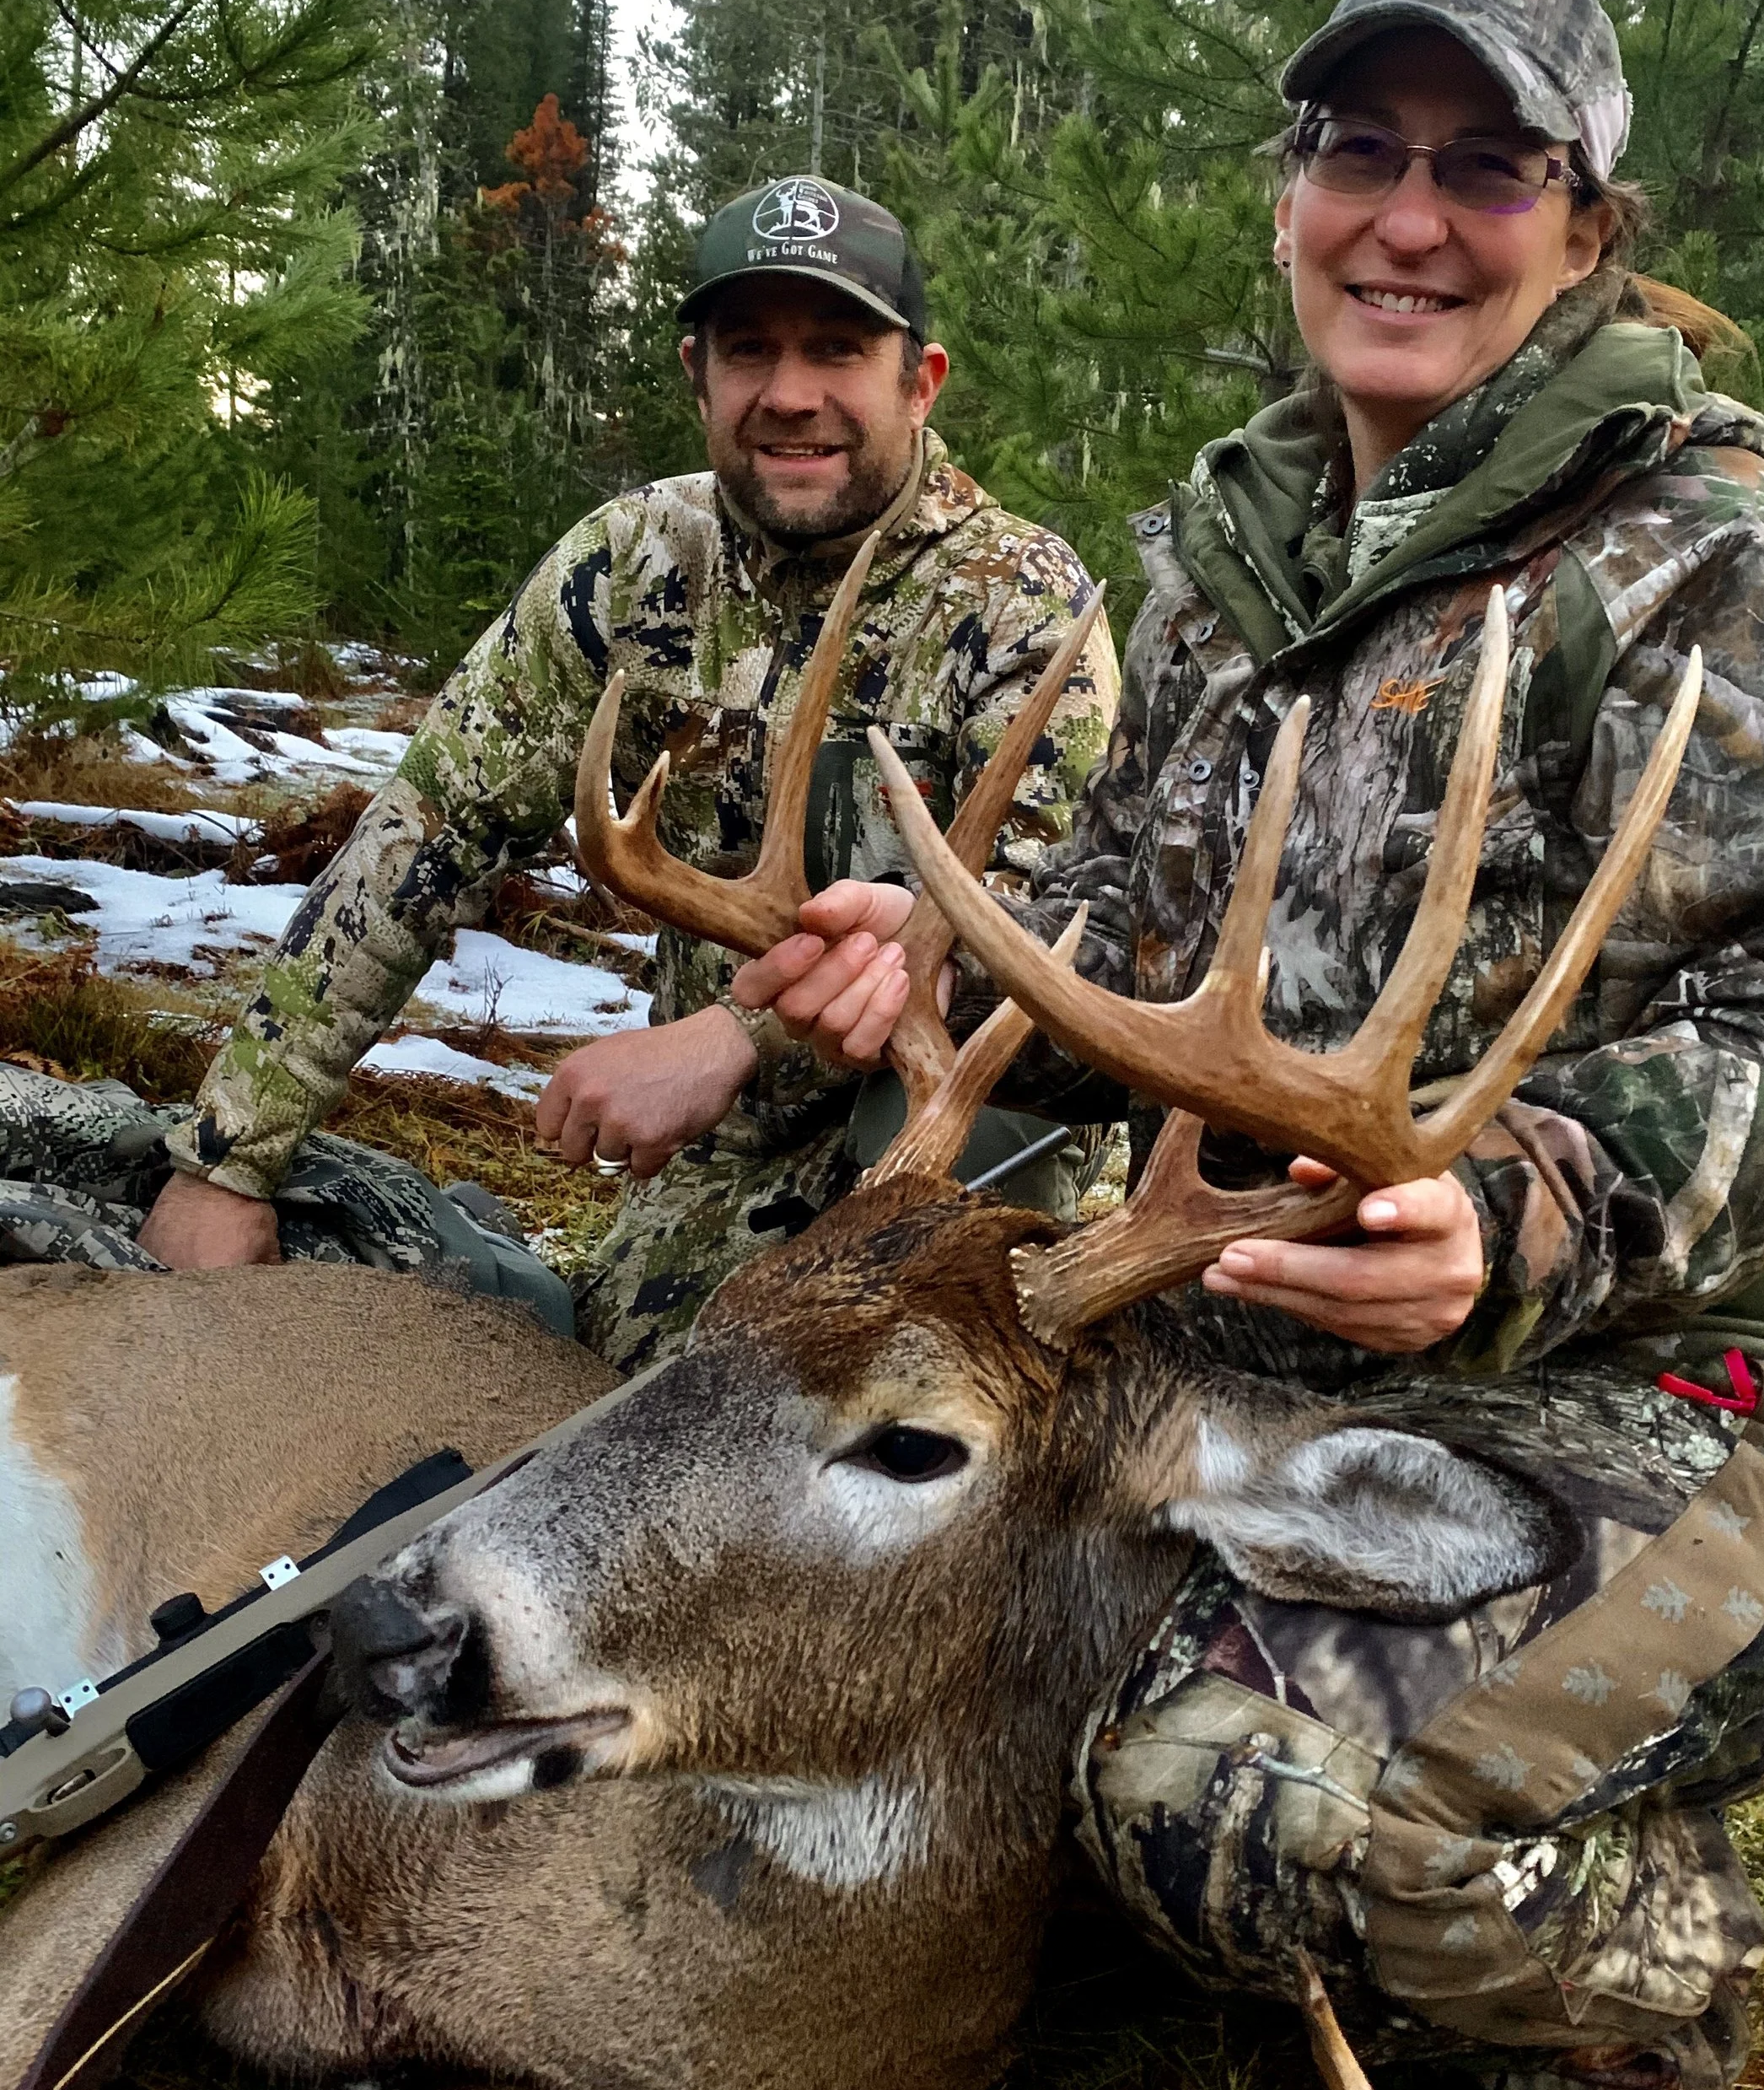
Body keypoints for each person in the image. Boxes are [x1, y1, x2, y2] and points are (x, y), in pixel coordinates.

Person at [732, 0, 1764, 2090]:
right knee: (827, 1509)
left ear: (1586, 225)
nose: (1406, 219)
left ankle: (1615, 1977)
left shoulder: (1718, 558)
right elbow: (1131, 912)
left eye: (1485, 168)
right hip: (1286, 1336)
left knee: (1222, 1795)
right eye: (1359, 151)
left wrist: (1517, 1212)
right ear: (1290, 184)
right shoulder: (1234, 552)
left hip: (1734, 1392)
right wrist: (934, 954)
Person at [140, 178, 1116, 1370]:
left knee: (835, 1388)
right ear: (697, 377)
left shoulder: (1023, 605)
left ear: (922, 381)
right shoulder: (632, 568)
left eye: (838, 349)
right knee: (603, 1387)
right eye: (749, 350)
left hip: (944, 1144)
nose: (791, 394)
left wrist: (734, 1038)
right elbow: (418, 847)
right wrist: (231, 1159)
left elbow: (1049, 954)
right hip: (711, 1165)